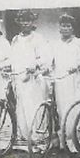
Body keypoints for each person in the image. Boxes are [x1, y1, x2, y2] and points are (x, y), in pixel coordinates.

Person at [10, 10, 51, 140]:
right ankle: (24, 136)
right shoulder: (15, 39)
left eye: (28, 20)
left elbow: (45, 57)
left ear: (32, 22)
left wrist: (35, 65)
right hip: (19, 78)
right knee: (21, 107)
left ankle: (38, 137)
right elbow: (12, 58)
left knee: (34, 106)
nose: (25, 23)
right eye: (23, 20)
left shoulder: (38, 38)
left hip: (34, 79)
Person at [51, 14, 80, 147]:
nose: (65, 28)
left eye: (68, 26)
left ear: (73, 28)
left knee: (76, 107)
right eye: (63, 26)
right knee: (63, 110)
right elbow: (50, 62)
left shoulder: (79, 43)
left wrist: (78, 66)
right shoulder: (55, 44)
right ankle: (65, 142)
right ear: (59, 27)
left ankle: (79, 142)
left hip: (76, 80)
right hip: (61, 82)